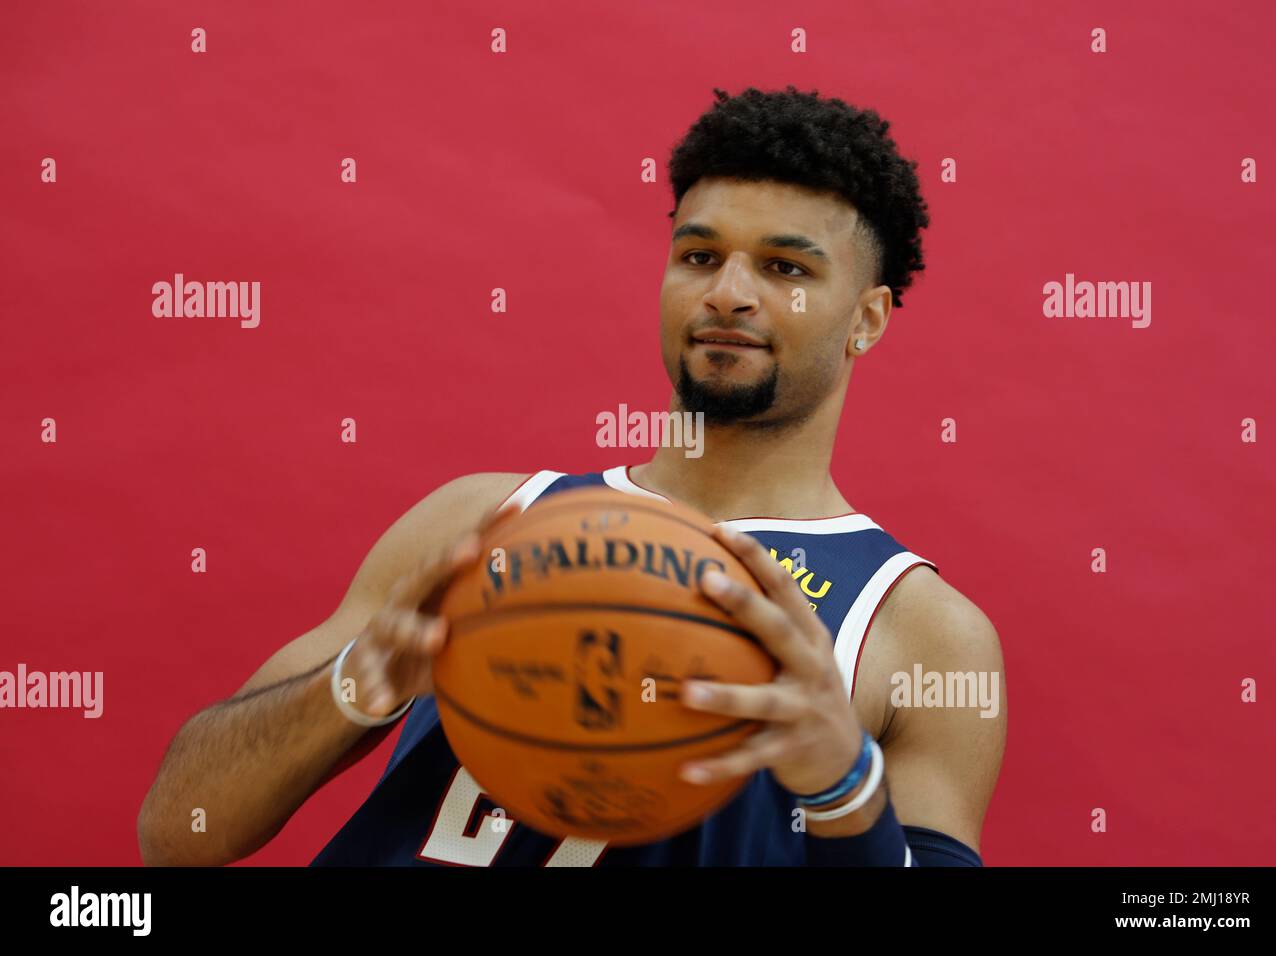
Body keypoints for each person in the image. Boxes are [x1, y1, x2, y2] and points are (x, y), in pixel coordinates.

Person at [138, 86, 1006, 867]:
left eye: (785, 268)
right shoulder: (484, 520)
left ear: (866, 319)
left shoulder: (920, 633)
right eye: (699, 256)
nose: (728, 294)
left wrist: (841, 788)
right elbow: (177, 833)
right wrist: (352, 689)